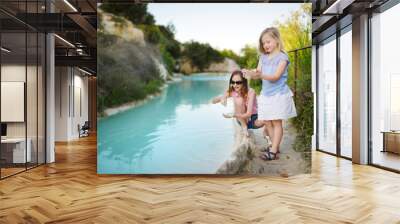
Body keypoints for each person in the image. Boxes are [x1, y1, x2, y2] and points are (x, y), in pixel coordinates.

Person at [242, 27, 297, 160]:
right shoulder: (263, 57)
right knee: (267, 121)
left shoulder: (283, 57)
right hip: (265, 95)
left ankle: (273, 151)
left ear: (277, 40)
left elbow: (276, 76)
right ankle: (274, 147)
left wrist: (261, 74)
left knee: (276, 123)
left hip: (278, 95)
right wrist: (250, 73)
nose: (265, 45)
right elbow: (258, 74)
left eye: (268, 42)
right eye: (263, 43)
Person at [212, 70, 263, 137]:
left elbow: (248, 114)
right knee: (238, 99)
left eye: (238, 82)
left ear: (244, 82)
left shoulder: (251, 92)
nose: (235, 85)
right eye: (233, 82)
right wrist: (222, 98)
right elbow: (213, 101)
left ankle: (267, 136)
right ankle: (244, 127)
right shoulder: (233, 92)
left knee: (267, 119)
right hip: (242, 120)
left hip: (254, 118)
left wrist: (233, 115)